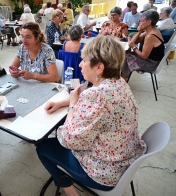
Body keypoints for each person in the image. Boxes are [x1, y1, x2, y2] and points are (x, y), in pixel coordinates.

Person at [37, 36, 147, 196]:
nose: (80, 64)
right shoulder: (118, 82)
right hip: (122, 159)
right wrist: (63, 103)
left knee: (43, 147)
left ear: (99, 68)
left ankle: (71, 192)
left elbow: (68, 140)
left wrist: (73, 106)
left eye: (84, 60)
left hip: (103, 173)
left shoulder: (98, 95)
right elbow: (85, 95)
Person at [122, 10, 165, 82]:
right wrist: (139, 32)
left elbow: (144, 56)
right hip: (148, 60)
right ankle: (123, 76)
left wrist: (134, 47)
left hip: (150, 64)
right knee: (124, 54)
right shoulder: (149, 31)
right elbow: (133, 41)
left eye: (141, 20)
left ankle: (124, 78)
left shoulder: (151, 36)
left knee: (124, 57)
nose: (140, 22)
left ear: (149, 22)